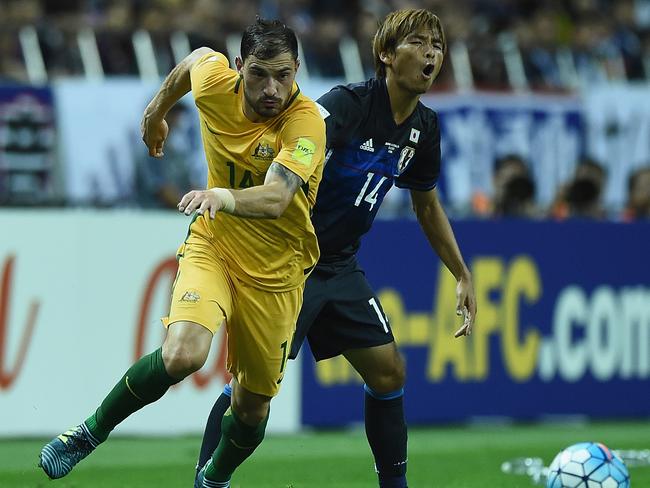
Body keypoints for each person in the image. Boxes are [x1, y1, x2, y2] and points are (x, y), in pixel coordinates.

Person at [195, 9, 477, 488]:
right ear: (386, 54)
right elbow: (286, 141)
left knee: (389, 372)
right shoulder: (344, 107)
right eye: (418, 43)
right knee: (250, 396)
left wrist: (462, 274)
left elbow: (426, 207)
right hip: (289, 265)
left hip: (340, 266)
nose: (431, 54)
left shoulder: (423, 129)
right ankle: (205, 479)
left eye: (437, 45)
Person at [39, 18, 325, 488]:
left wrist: (223, 197)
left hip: (277, 274)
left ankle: (213, 477)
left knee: (251, 410)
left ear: (296, 69)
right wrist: (156, 112)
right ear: (239, 67)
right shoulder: (216, 83)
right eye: (259, 74)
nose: (272, 88)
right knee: (182, 355)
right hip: (215, 245)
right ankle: (88, 432)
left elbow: (276, 198)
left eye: (283, 75)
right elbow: (192, 62)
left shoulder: (305, 122)